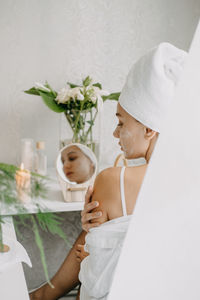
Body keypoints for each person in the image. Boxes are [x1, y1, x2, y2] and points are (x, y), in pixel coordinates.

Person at [29, 42, 187, 300]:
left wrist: (92, 255)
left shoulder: (113, 180)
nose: (115, 133)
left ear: (149, 129)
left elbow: (94, 287)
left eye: (121, 122)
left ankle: (43, 295)